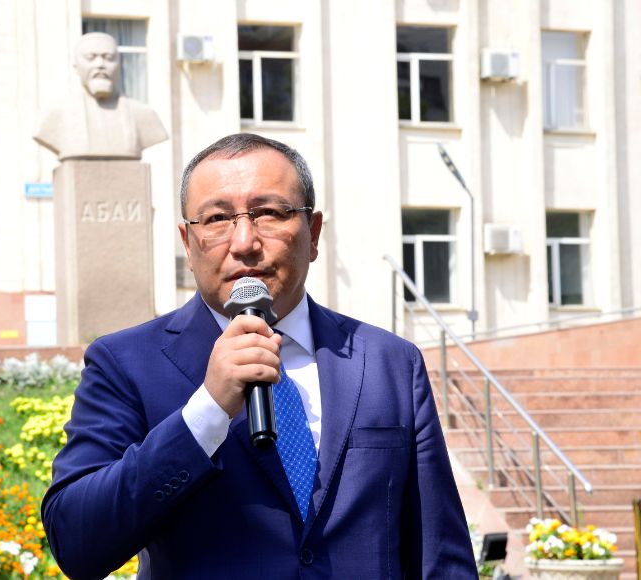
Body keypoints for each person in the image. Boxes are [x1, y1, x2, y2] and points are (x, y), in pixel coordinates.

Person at [42, 133, 478, 579]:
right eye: (217, 218)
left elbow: (441, 558)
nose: (245, 241)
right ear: (188, 243)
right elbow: (77, 542)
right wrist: (206, 412)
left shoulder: (390, 363)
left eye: (269, 213)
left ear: (313, 234)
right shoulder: (127, 363)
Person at [33, 32, 167, 160]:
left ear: (119, 65)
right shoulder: (57, 115)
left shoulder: (143, 114)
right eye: (90, 58)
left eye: (108, 58)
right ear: (76, 67)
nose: (100, 65)